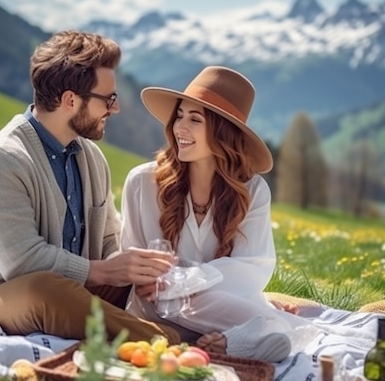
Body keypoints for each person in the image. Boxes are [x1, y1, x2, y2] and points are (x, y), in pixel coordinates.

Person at [0, 30, 181, 345]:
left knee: (145, 276)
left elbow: (107, 240)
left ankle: (205, 330)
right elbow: (22, 263)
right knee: (45, 289)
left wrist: (130, 270)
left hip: (78, 291)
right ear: (70, 100)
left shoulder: (90, 156)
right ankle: (170, 344)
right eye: (108, 99)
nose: (114, 109)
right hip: (4, 298)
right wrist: (104, 272)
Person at [120, 66, 318, 363]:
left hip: (220, 305)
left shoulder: (252, 190)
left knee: (201, 297)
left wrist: (184, 279)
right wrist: (167, 283)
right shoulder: (141, 182)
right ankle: (258, 331)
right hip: (156, 306)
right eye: (179, 115)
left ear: (221, 131)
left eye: (195, 119)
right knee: (181, 298)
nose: (179, 128)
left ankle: (235, 338)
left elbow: (252, 267)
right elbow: (135, 260)